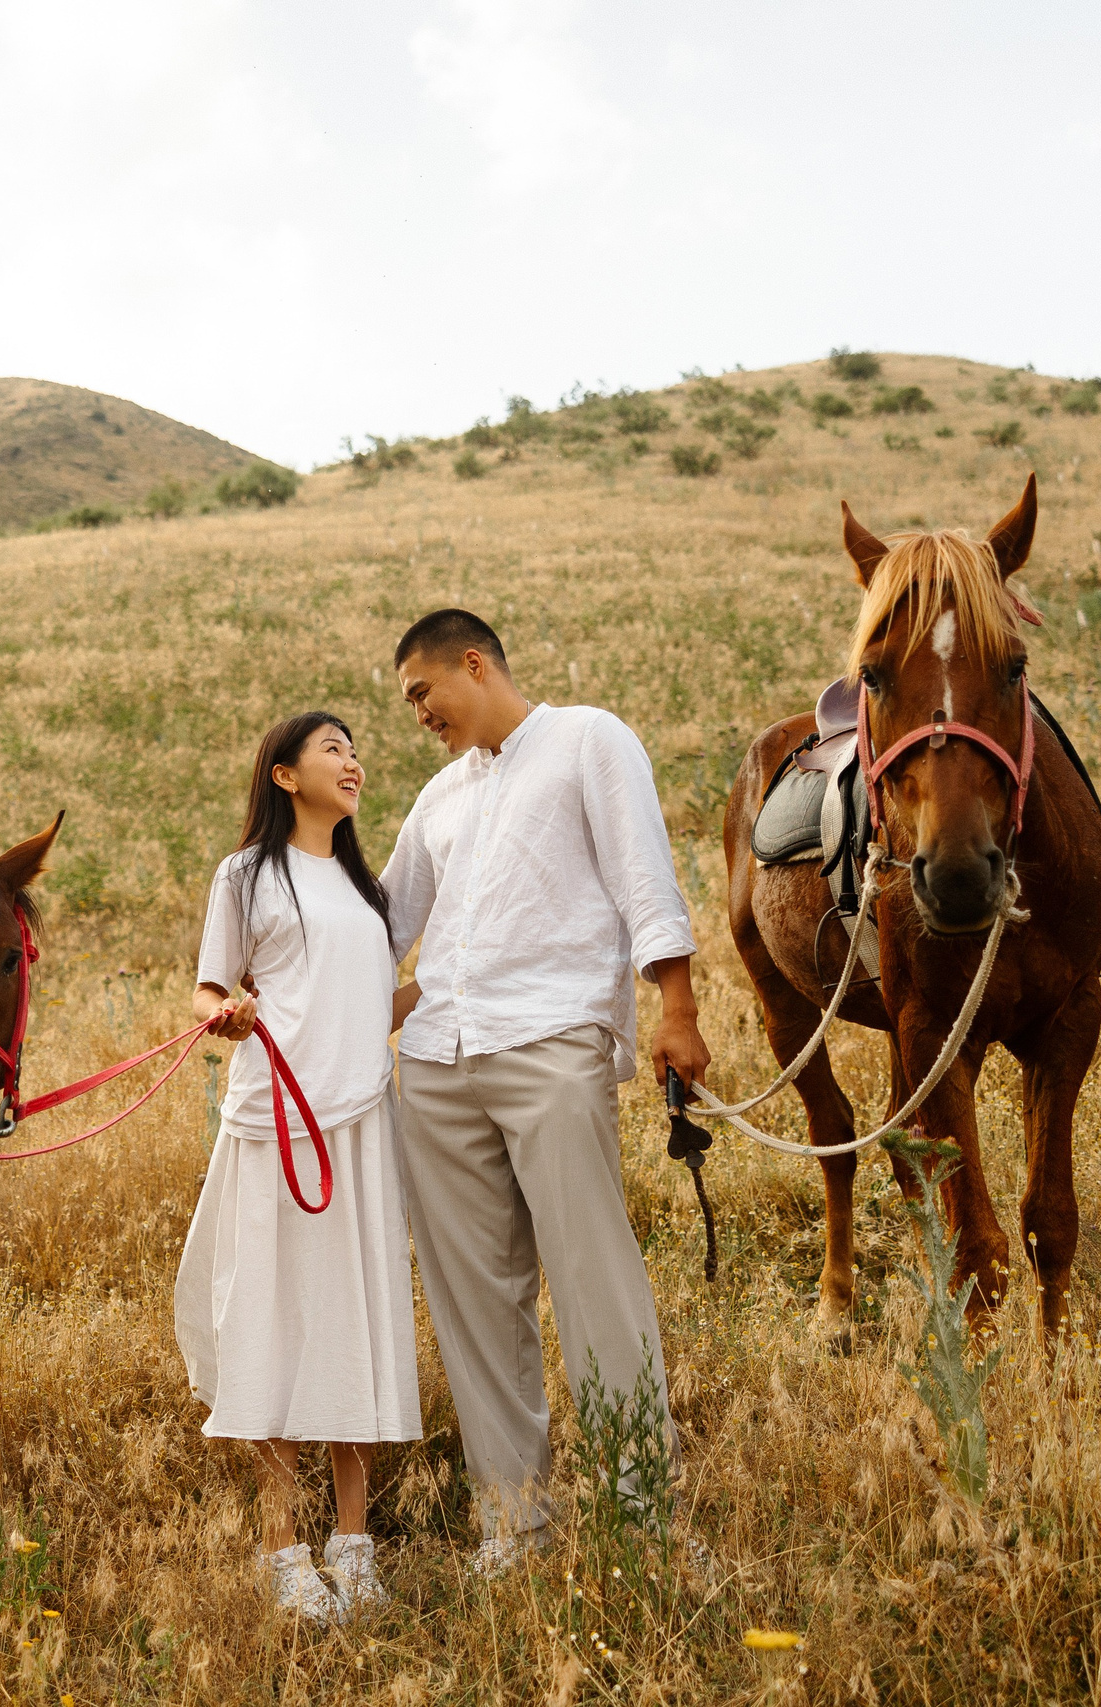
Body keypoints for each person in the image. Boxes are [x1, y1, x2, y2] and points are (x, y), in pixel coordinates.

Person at [382, 608, 710, 1569]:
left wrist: (676, 1010)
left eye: (420, 693)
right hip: (438, 1063)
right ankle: (514, 1521)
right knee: (475, 1300)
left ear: (472, 663)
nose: (417, 716)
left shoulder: (588, 739)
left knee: (594, 1276)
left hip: (552, 1041)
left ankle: (640, 1513)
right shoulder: (439, 797)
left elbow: (645, 878)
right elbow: (384, 919)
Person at [174, 710, 422, 1622]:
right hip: (273, 1123)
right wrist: (224, 1009)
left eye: (356, 750)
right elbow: (209, 982)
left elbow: (368, 1006)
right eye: (333, 749)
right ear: (284, 776)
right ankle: (283, 1550)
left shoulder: (367, 892)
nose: (353, 762)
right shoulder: (245, 875)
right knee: (273, 1324)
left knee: (352, 1321)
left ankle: (353, 1546)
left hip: (358, 1126)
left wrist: (447, 980)